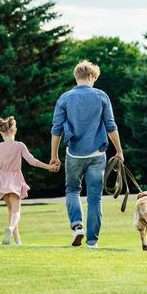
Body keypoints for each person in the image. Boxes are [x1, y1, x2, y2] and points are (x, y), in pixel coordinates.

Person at [50, 60, 124, 248]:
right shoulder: (101, 96)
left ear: (77, 77)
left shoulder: (64, 98)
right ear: (91, 77)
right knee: (94, 198)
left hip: (74, 154)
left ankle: (77, 227)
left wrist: (54, 155)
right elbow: (110, 126)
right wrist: (119, 150)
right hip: (97, 154)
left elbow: (56, 129)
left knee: (72, 190)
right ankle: (92, 242)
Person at [0, 116, 59, 245]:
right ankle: (11, 228)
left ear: (1, 132)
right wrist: (49, 167)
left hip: (2, 180)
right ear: (15, 130)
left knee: (10, 210)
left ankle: (17, 240)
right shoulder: (19, 145)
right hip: (14, 180)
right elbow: (32, 161)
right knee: (16, 212)